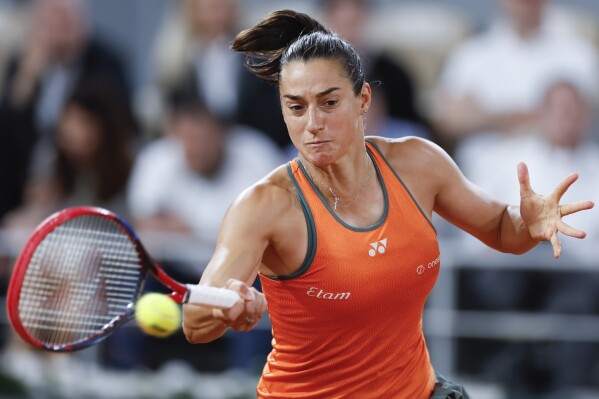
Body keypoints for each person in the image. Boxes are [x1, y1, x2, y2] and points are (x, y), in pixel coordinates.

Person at [181, 10, 594, 398]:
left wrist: (529, 221)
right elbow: (194, 322)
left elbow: (502, 228)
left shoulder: (418, 163)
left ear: (363, 100)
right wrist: (225, 308)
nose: (313, 124)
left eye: (329, 102)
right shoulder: (263, 205)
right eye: (296, 107)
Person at [432, 0, 599, 141]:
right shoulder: (471, 55)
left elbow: (585, 119)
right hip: (483, 172)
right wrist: (521, 119)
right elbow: (448, 121)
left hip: (562, 172)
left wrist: (485, 117)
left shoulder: (580, 54)